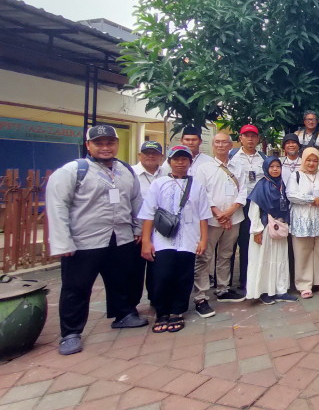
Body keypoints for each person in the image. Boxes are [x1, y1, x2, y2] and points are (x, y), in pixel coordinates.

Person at [46, 125, 147, 356]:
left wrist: (138, 228)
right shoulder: (73, 171)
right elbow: (57, 206)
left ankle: (123, 314)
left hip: (120, 237)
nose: (105, 147)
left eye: (110, 142)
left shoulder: (125, 170)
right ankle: (71, 333)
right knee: (76, 287)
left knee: (122, 280)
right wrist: (62, 242)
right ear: (88, 145)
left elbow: (136, 202)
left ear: (116, 144)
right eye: (99, 143)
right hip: (85, 241)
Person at [139, 146, 211, 333]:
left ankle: (177, 311)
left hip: (188, 239)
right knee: (162, 275)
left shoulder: (197, 186)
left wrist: (203, 240)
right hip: (162, 239)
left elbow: (203, 215)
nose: (180, 163)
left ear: (190, 162)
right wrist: (146, 241)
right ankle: (162, 312)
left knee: (184, 276)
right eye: (176, 159)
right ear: (169, 161)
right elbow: (148, 214)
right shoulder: (159, 184)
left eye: (184, 159)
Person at [192, 132, 248, 318]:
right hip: (211, 220)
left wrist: (230, 212)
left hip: (234, 218)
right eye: (217, 142)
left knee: (226, 254)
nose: (221, 145)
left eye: (225, 142)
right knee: (205, 257)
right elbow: (202, 193)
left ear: (231, 145)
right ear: (213, 145)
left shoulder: (238, 166)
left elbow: (243, 191)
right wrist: (219, 213)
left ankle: (223, 288)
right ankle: (201, 296)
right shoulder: (204, 168)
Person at [246, 156, 297, 304]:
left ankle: (280, 290)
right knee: (264, 259)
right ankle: (264, 292)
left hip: (279, 227)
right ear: (266, 168)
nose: (275, 169)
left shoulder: (281, 185)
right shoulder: (261, 186)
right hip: (264, 228)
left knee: (280, 258)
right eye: (272, 167)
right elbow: (254, 210)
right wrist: (256, 231)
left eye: (278, 166)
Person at [286, 147, 319, 298]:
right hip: (302, 218)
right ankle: (304, 284)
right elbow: (291, 194)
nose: (312, 163)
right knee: (302, 250)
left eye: (315, 160)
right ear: (303, 160)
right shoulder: (296, 176)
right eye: (308, 160)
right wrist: (311, 200)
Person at [229, 124, 267, 290]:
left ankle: (250, 280)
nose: (250, 139)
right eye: (246, 136)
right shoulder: (232, 157)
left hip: (257, 205)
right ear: (241, 138)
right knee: (235, 243)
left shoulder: (263, 158)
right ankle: (229, 282)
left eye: (253, 136)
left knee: (253, 242)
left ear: (258, 139)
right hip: (238, 205)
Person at [132, 141, 167, 304]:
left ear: (161, 156)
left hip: (161, 230)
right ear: (140, 155)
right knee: (135, 270)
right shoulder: (131, 173)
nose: (151, 156)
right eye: (147, 153)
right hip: (137, 231)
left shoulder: (167, 174)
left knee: (158, 268)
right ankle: (131, 305)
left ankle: (156, 298)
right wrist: (136, 228)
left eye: (155, 153)